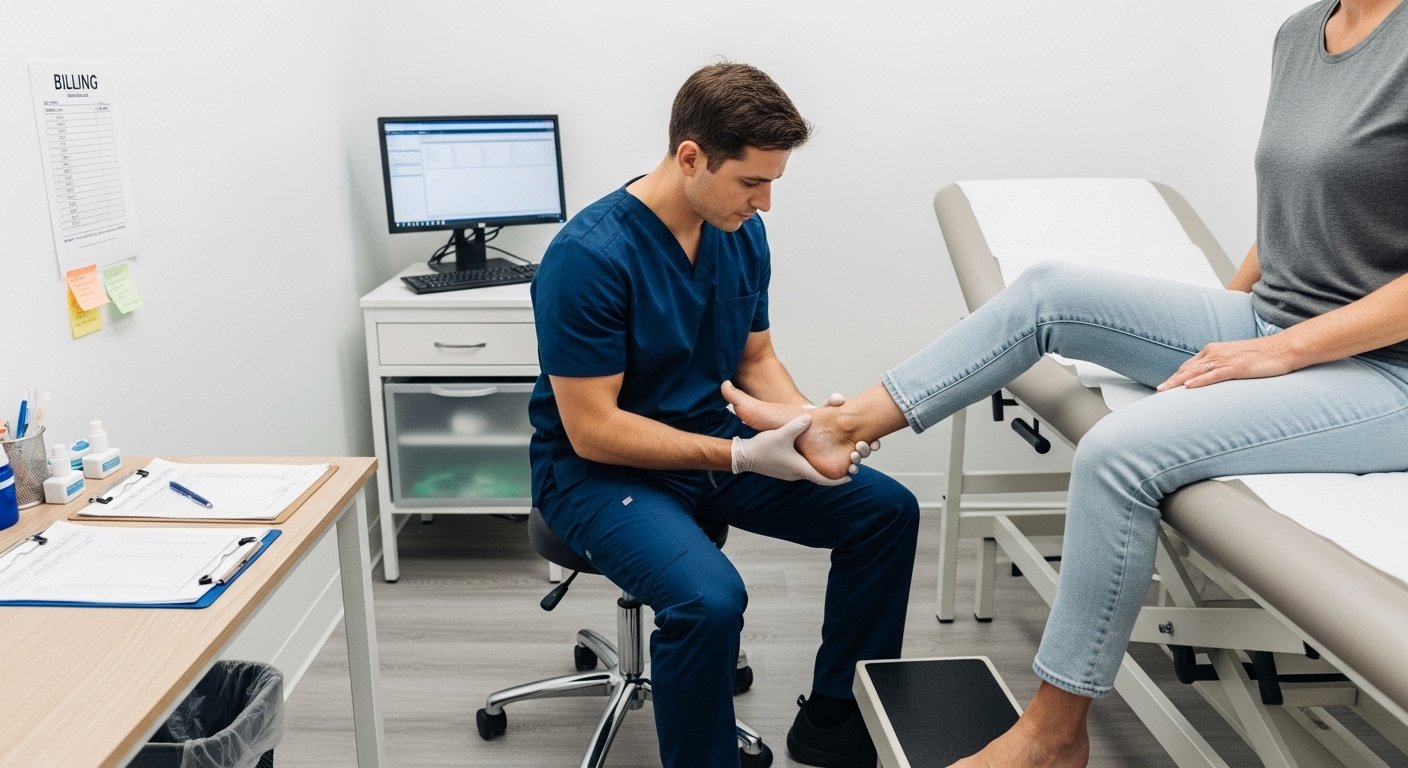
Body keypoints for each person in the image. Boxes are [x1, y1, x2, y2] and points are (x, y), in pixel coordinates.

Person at [722, 1, 1408, 765]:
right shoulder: (1300, 33)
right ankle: (842, 426)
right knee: (1047, 291)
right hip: (1279, 318)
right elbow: (1300, 206)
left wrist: (1282, 354)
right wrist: (1231, 317)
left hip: (1388, 372)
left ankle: (1055, 735)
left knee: (1121, 452)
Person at [528, 61, 920, 768]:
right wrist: (741, 455)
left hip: (711, 440)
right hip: (596, 471)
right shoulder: (587, 258)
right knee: (708, 601)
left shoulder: (736, 230)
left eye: (773, 182)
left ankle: (835, 717)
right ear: (690, 157)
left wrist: (807, 425)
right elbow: (593, 427)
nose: (765, 202)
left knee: (886, 512)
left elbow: (755, 355)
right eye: (751, 181)